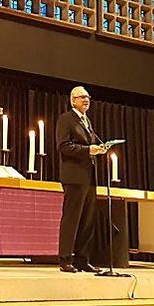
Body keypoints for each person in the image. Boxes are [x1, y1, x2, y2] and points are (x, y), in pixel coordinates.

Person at [56, 86, 107, 273]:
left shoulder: (87, 121)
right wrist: (88, 150)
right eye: (82, 97)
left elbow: (90, 142)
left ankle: (82, 259)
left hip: (89, 176)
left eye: (88, 97)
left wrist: (101, 148)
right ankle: (65, 259)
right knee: (72, 218)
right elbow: (63, 146)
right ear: (73, 100)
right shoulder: (66, 119)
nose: (86, 100)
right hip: (74, 176)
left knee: (87, 219)